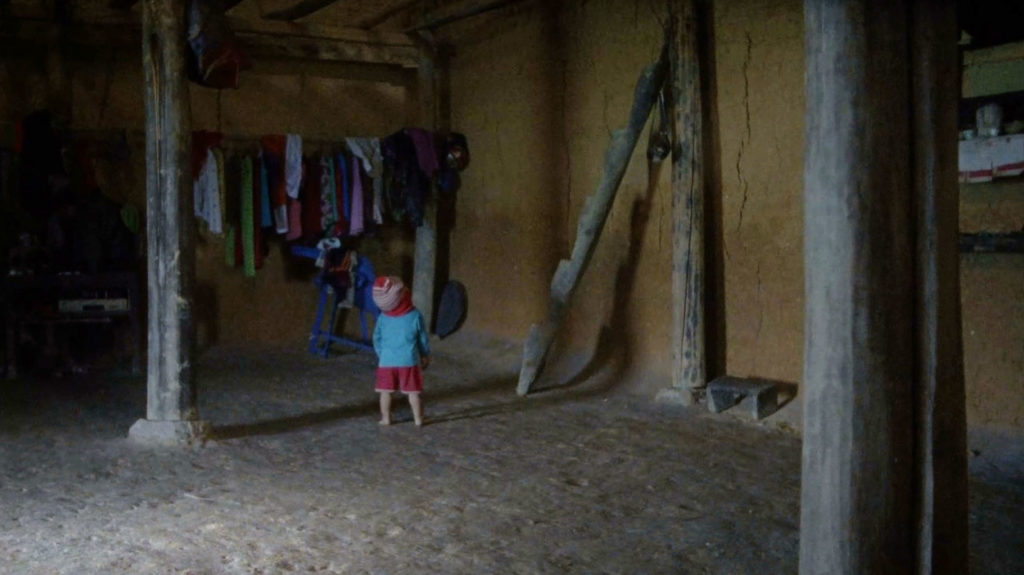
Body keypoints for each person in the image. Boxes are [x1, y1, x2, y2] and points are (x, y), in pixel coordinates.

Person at [372, 276, 430, 426]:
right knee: (414, 393)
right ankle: (418, 419)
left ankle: (386, 418)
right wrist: (424, 354)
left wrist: (382, 354)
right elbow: (422, 338)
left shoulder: (383, 318)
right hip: (408, 361)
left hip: (386, 362)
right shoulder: (415, 315)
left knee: (385, 393)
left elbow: (376, 338)